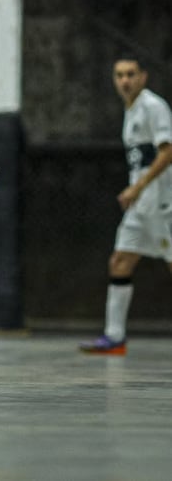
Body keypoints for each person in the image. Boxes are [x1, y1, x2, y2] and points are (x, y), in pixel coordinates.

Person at [79, 57, 172, 355]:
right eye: (119, 75)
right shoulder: (130, 110)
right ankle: (115, 338)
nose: (125, 80)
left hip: (161, 199)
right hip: (140, 204)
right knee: (120, 262)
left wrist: (138, 187)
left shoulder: (153, 107)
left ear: (143, 76)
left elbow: (168, 152)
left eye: (131, 74)